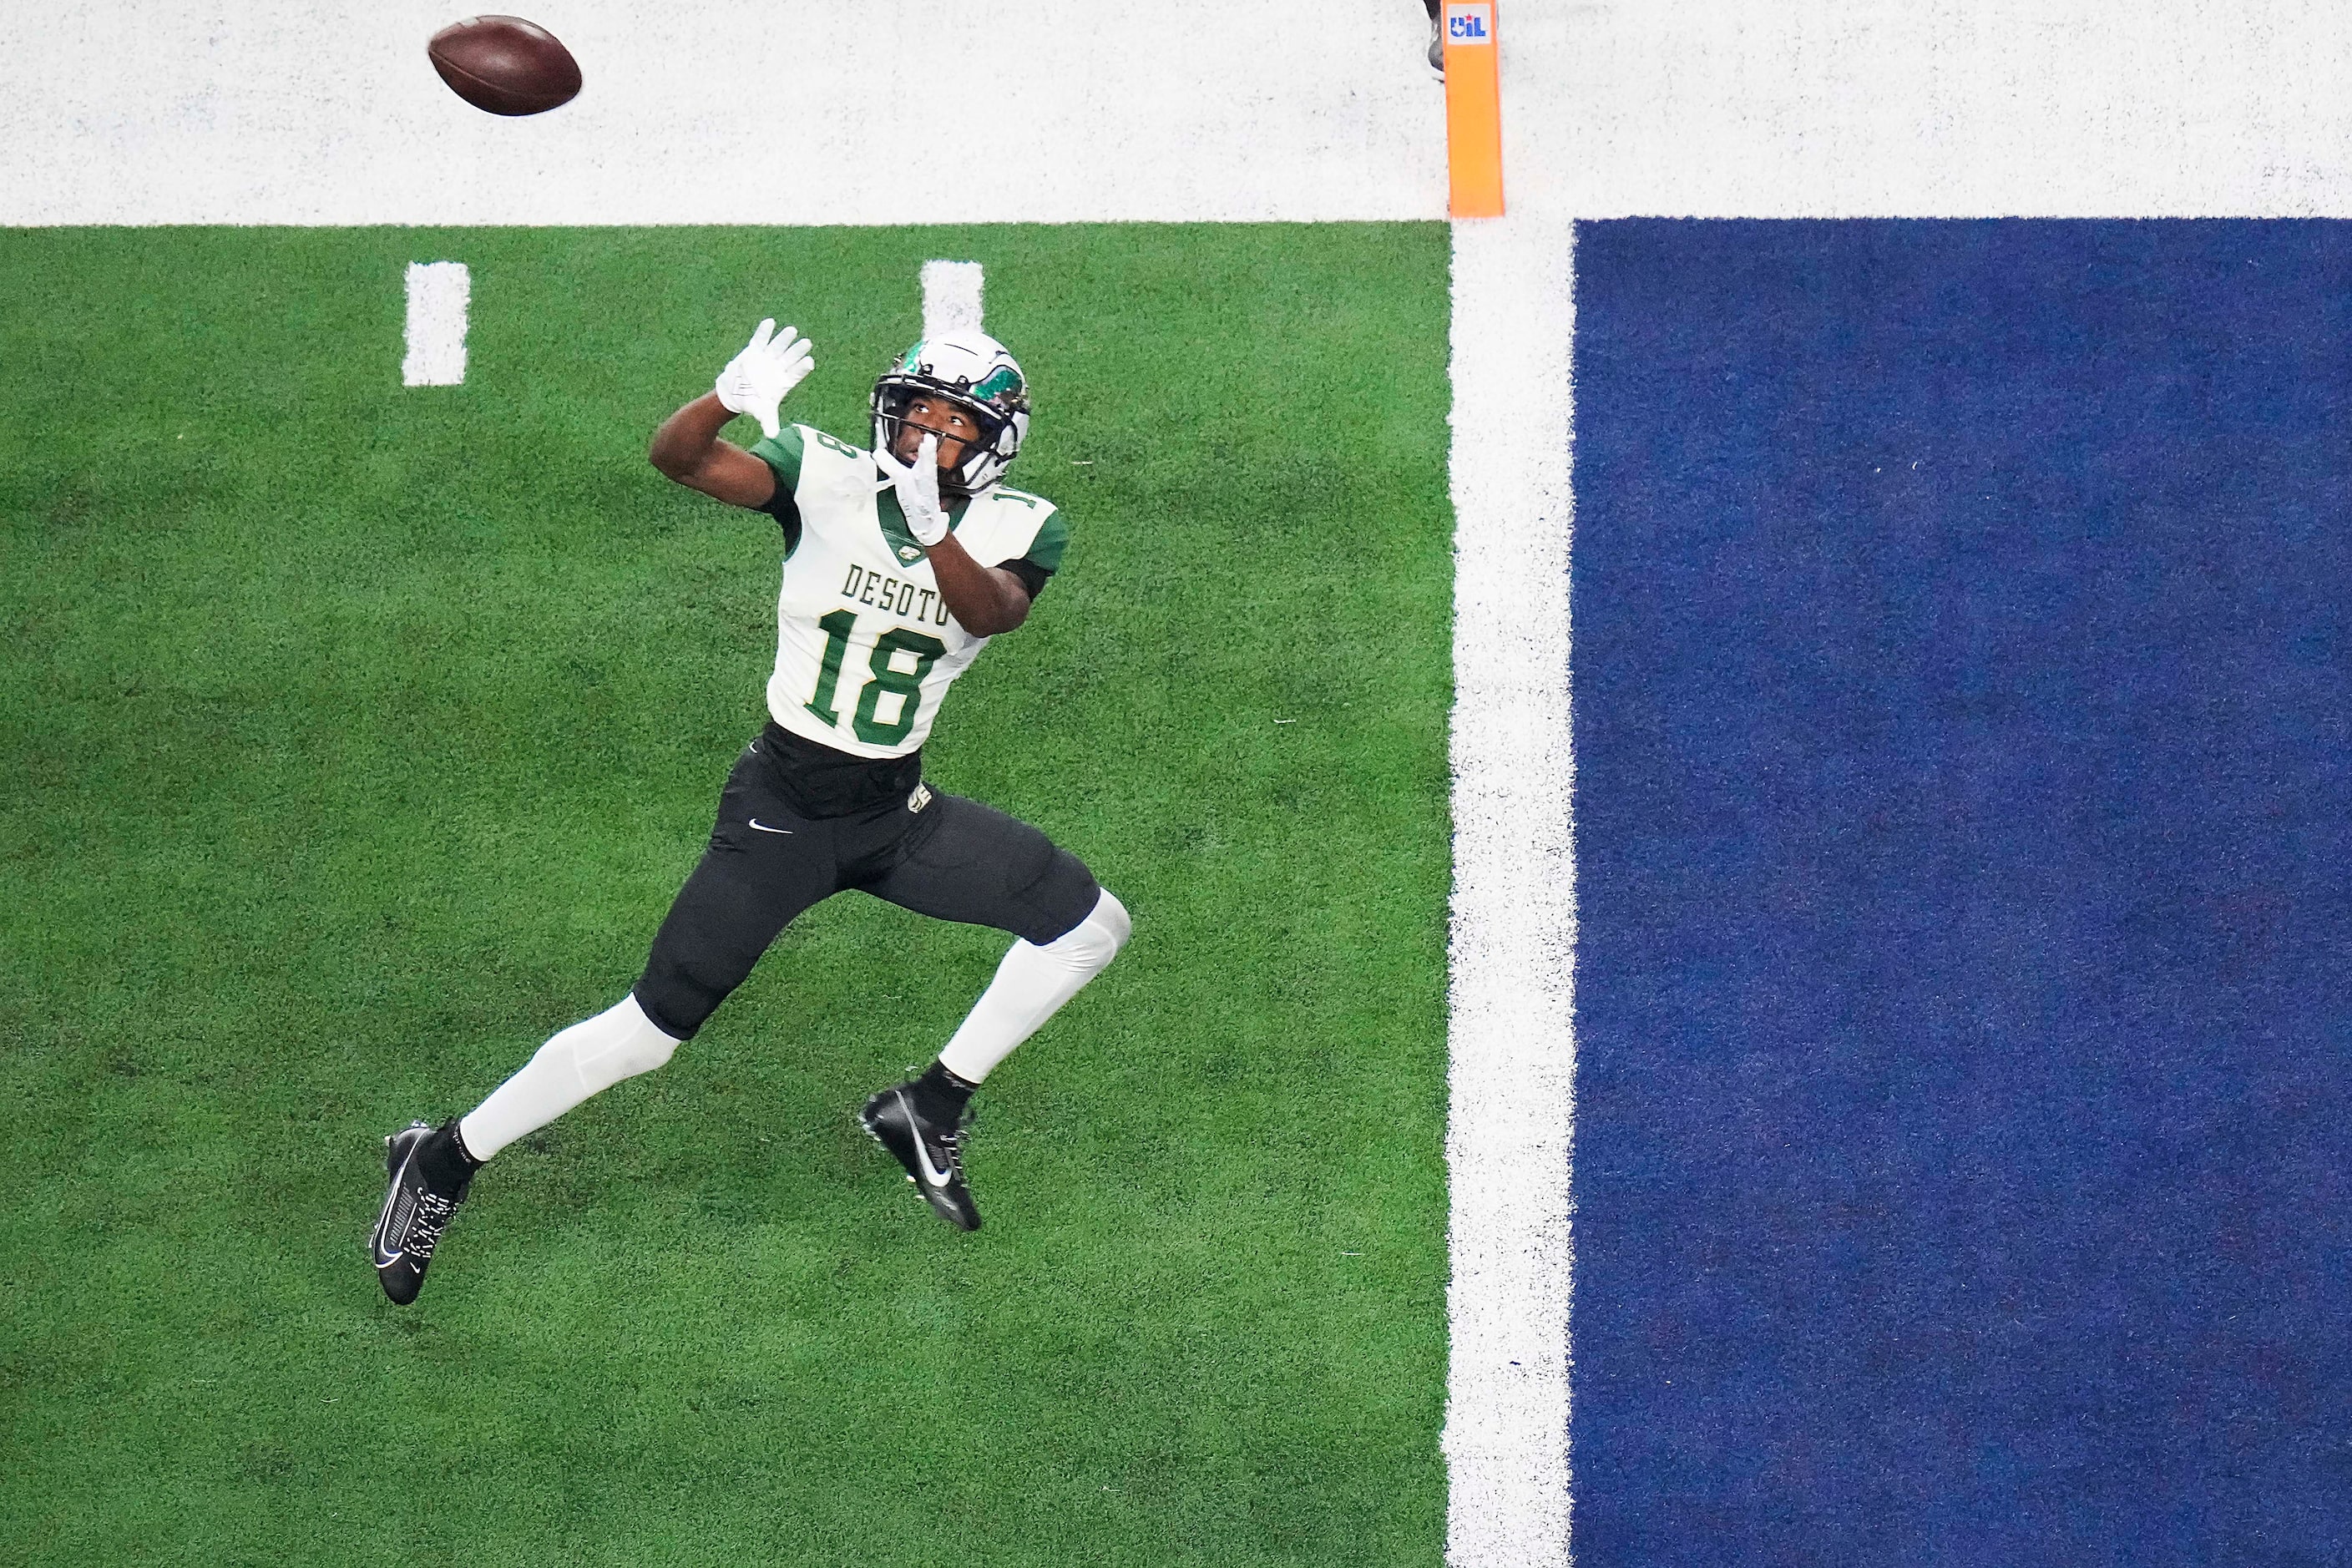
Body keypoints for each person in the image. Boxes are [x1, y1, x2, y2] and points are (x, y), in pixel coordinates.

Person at [368, 319, 1130, 1304]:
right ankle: (441, 1160)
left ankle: (929, 1103)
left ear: (997, 445)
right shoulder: (823, 473)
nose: (926, 442)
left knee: (1088, 926)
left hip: (896, 813)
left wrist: (933, 532)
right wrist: (720, 400)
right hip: (784, 810)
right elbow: (678, 461)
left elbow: (991, 614)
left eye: (954, 426)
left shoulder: (1023, 527)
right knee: (650, 1032)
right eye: (914, 418)